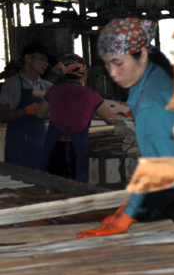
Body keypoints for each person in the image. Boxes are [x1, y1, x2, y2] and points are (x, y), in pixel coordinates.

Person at [78, 18, 174, 238]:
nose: (112, 73)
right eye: (107, 65)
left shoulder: (152, 101)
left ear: (142, 55)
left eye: (118, 63)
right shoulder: (152, 81)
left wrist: (127, 217)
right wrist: (129, 206)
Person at [39, 54, 120, 182]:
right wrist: (127, 115)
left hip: (53, 147)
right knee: (76, 187)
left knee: (52, 186)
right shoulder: (91, 95)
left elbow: (40, 114)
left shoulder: (53, 91)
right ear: (85, 73)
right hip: (76, 148)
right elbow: (111, 119)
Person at [0, 44, 52, 169]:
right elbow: (2, 115)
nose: (46, 64)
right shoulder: (12, 84)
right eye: (42, 59)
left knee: (42, 183)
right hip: (17, 144)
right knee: (18, 182)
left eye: (47, 61)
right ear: (28, 58)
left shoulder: (48, 87)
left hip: (41, 142)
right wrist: (26, 110)